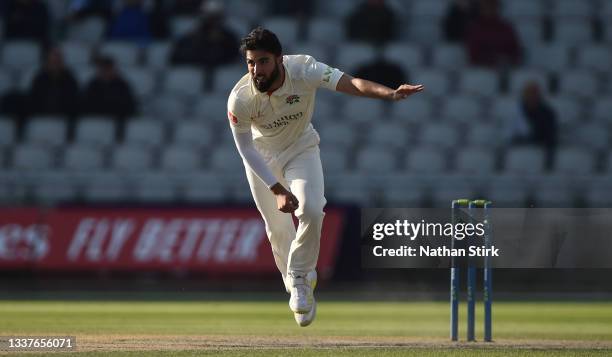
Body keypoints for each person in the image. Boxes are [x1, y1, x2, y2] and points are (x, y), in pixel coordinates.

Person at [227, 27, 423, 327]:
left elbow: (352, 83)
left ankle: (302, 278)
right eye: (251, 63)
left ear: (279, 59)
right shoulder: (240, 98)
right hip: (262, 158)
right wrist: (277, 188)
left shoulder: (304, 69)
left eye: (263, 61)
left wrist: (390, 93)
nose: (256, 69)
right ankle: (294, 284)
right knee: (278, 229)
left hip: (301, 148)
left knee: (311, 209)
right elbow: (245, 149)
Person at [81, 56, 136, 139]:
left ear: (113, 69)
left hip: (117, 122)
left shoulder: (122, 85)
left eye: (108, 68)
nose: (105, 71)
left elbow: (128, 105)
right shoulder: (92, 85)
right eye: (103, 68)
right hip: (95, 121)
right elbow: (86, 105)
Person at [28, 47, 79, 136]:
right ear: (47, 61)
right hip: (42, 115)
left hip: (64, 116)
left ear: (62, 61)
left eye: (57, 60)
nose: (55, 63)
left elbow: (73, 99)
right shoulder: (40, 78)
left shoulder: (69, 78)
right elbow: (34, 99)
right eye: (52, 61)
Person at [510, 81, 558, 170]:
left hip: (540, 149)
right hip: (520, 149)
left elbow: (550, 136)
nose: (531, 96)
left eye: (534, 94)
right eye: (528, 94)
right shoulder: (516, 112)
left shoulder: (547, 113)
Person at [465, 0, 521, 67]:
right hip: (483, 69)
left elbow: (515, 51)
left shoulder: (506, 28)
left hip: (505, 67)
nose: (490, 10)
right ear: (482, 9)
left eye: (492, 6)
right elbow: (473, 54)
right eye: (487, 6)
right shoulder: (475, 29)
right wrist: (491, 60)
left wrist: (506, 59)